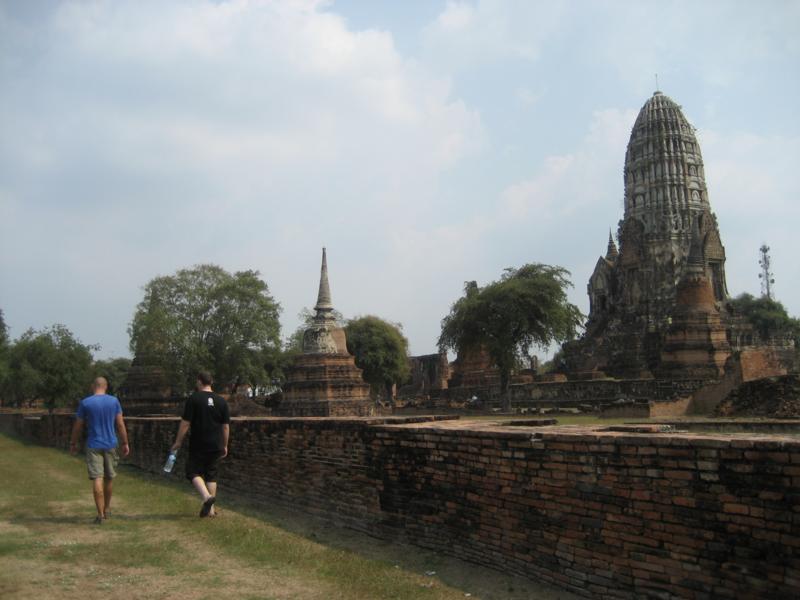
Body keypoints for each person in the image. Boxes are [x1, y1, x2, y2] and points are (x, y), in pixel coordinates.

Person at [70, 377, 130, 525]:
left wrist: (73, 442)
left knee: (98, 477)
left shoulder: (86, 402)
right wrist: (125, 442)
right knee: (109, 477)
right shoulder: (114, 401)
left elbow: (78, 425)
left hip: (93, 444)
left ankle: (100, 514)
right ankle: (107, 508)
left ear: (93, 386)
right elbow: (120, 424)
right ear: (106, 386)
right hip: (110, 443)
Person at [170, 371, 230, 517]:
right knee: (211, 475)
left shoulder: (194, 399)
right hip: (216, 444)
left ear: (199, 381)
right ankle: (211, 511)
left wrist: (178, 441)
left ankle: (207, 497)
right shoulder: (221, 401)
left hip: (199, 443)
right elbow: (225, 427)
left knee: (192, 472)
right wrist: (225, 444)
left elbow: (185, 423)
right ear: (211, 382)